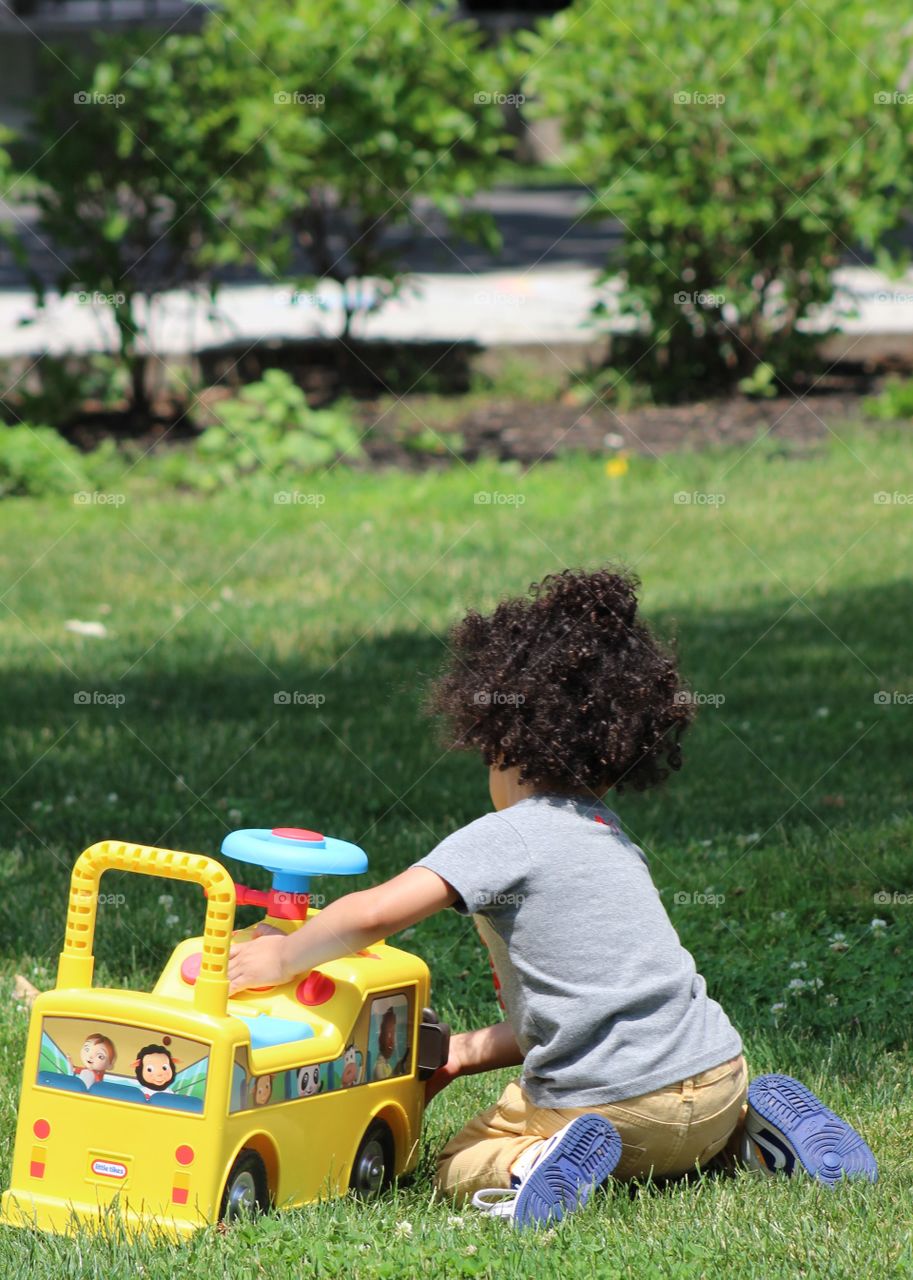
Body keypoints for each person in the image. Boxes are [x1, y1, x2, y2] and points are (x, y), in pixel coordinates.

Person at [227, 567, 877, 1227]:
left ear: (501, 741)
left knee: (458, 1159)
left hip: (613, 1110)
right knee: (686, 1129)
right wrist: (463, 1051)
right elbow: (587, 1010)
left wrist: (283, 959)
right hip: (716, 1078)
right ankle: (757, 1139)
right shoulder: (608, 835)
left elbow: (373, 913)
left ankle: (536, 1161)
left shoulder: (504, 837)